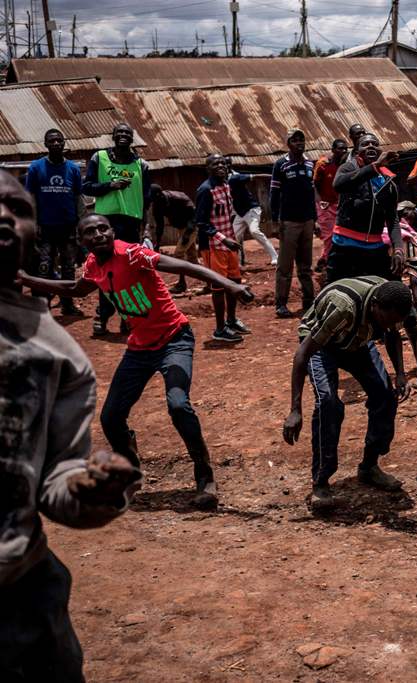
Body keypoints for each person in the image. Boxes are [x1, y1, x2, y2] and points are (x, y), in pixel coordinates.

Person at [1, 169, 141, 682]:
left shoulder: (55, 353)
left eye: (18, 209)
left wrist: (92, 493)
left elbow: (52, 481)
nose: (3, 216)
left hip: (21, 598)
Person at [21, 213, 255, 510]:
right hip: (139, 349)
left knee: (178, 404)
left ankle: (204, 475)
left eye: (103, 228)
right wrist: (26, 279)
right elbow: (74, 290)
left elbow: (185, 266)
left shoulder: (132, 254)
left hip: (174, 339)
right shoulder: (93, 265)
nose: (98, 235)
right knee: (111, 418)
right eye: (90, 232)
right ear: (81, 241)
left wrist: (230, 285)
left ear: (112, 231)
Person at [282, 277, 413, 507]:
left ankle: (369, 466)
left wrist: (401, 374)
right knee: (329, 404)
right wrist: (295, 409)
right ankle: (321, 481)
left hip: (357, 341)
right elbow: (302, 354)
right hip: (322, 344)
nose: (387, 326)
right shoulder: (342, 307)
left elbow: (392, 335)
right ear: (375, 306)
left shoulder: (396, 304)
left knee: (384, 396)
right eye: (385, 320)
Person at [83, 122, 152, 336]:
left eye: (127, 133)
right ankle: (102, 316)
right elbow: (86, 187)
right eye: (119, 132)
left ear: (132, 139)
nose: (123, 135)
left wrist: (147, 228)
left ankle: (128, 318)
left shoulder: (141, 165)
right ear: (113, 136)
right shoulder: (99, 158)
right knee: (107, 270)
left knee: (130, 271)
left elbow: (146, 200)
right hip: (105, 223)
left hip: (131, 222)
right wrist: (109, 186)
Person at [327, 133, 404, 283]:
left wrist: (399, 249)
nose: (371, 146)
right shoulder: (348, 168)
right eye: (365, 144)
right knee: (336, 296)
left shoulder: (389, 181)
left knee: (393, 293)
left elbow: (392, 219)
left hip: (374, 249)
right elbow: (339, 185)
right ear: (356, 152)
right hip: (345, 248)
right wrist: (374, 167)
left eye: (375, 144)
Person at [24, 128, 83, 316]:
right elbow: (31, 197)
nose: (56, 143)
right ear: (46, 144)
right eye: (52, 141)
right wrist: (34, 224)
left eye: (59, 140)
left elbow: (78, 198)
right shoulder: (36, 167)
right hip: (45, 228)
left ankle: (67, 304)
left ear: (64, 143)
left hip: (68, 228)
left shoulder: (73, 168)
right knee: (43, 268)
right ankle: (43, 307)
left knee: (68, 268)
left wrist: (81, 224)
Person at [195, 154, 249, 343]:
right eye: (215, 163)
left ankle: (232, 320)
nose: (220, 166)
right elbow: (201, 222)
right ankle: (219, 329)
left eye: (223, 163)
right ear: (207, 168)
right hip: (213, 245)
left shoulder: (226, 186)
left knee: (233, 282)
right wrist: (223, 239)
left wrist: (230, 238)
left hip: (229, 242)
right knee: (218, 287)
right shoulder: (205, 190)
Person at [270, 128, 317, 318]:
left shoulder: (309, 163)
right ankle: (281, 303)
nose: (299, 143)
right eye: (295, 140)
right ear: (288, 144)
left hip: (307, 221)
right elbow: (274, 194)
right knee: (285, 266)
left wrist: (315, 219)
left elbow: (311, 192)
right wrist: (274, 221)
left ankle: (309, 302)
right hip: (289, 222)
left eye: (302, 139)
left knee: (305, 265)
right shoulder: (281, 164)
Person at [149, 185, 197, 294]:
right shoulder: (157, 205)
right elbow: (160, 225)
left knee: (178, 254)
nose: (151, 201)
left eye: (152, 198)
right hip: (181, 227)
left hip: (191, 227)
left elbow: (194, 216)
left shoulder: (179, 198)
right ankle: (210, 283)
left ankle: (181, 284)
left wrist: (187, 233)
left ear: (159, 195)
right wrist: (157, 243)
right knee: (193, 259)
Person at [227, 164, 278, 266]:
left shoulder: (234, 177)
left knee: (254, 231)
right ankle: (238, 263)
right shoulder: (219, 182)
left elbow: (257, 176)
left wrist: (275, 177)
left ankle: (275, 256)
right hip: (239, 213)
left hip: (251, 209)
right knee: (233, 237)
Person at [313, 138, 348, 272]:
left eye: (345, 148)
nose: (343, 151)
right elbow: (315, 185)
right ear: (333, 150)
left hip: (341, 204)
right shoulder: (323, 164)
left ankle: (325, 257)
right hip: (326, 205)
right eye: (340, 148)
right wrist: (319, 202)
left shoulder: (346, 165)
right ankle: (329, 263)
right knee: (328, 235)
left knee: (340, 233)